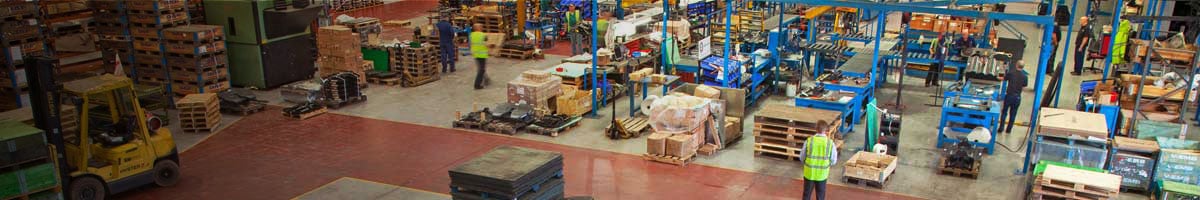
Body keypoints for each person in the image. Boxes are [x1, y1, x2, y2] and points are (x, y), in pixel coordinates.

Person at [799, 120, 838, 200]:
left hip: (809, 173)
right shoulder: (830, 143)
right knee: (820, 196)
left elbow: (802, 157)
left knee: (806, 195)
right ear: (826, 130)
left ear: (815, 128)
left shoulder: (809, 141)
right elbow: (833, 160)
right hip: (822, 175)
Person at [999, 61, 1028, 134]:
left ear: (1016, 65)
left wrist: (996, 76)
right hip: (1017, 97)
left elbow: (1003, 79)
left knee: (1004, 112)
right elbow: (1024, 87)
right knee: (1013, 113)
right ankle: (1009, 130)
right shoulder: (1025, 76)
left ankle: (1001, 128)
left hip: (1009, 96)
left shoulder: (1011, 73)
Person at [470, 24, 490, 89]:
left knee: (480, 68)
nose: (482, 28)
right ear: (478, 28)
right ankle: (477, 85)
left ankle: (486, 79)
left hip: (475, 54)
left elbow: (471, 44)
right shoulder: (483, 35)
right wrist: (491, 46)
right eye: (481, 27)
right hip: (482, 55)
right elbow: (486, 43)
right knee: (481, 70)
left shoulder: (471, 35)